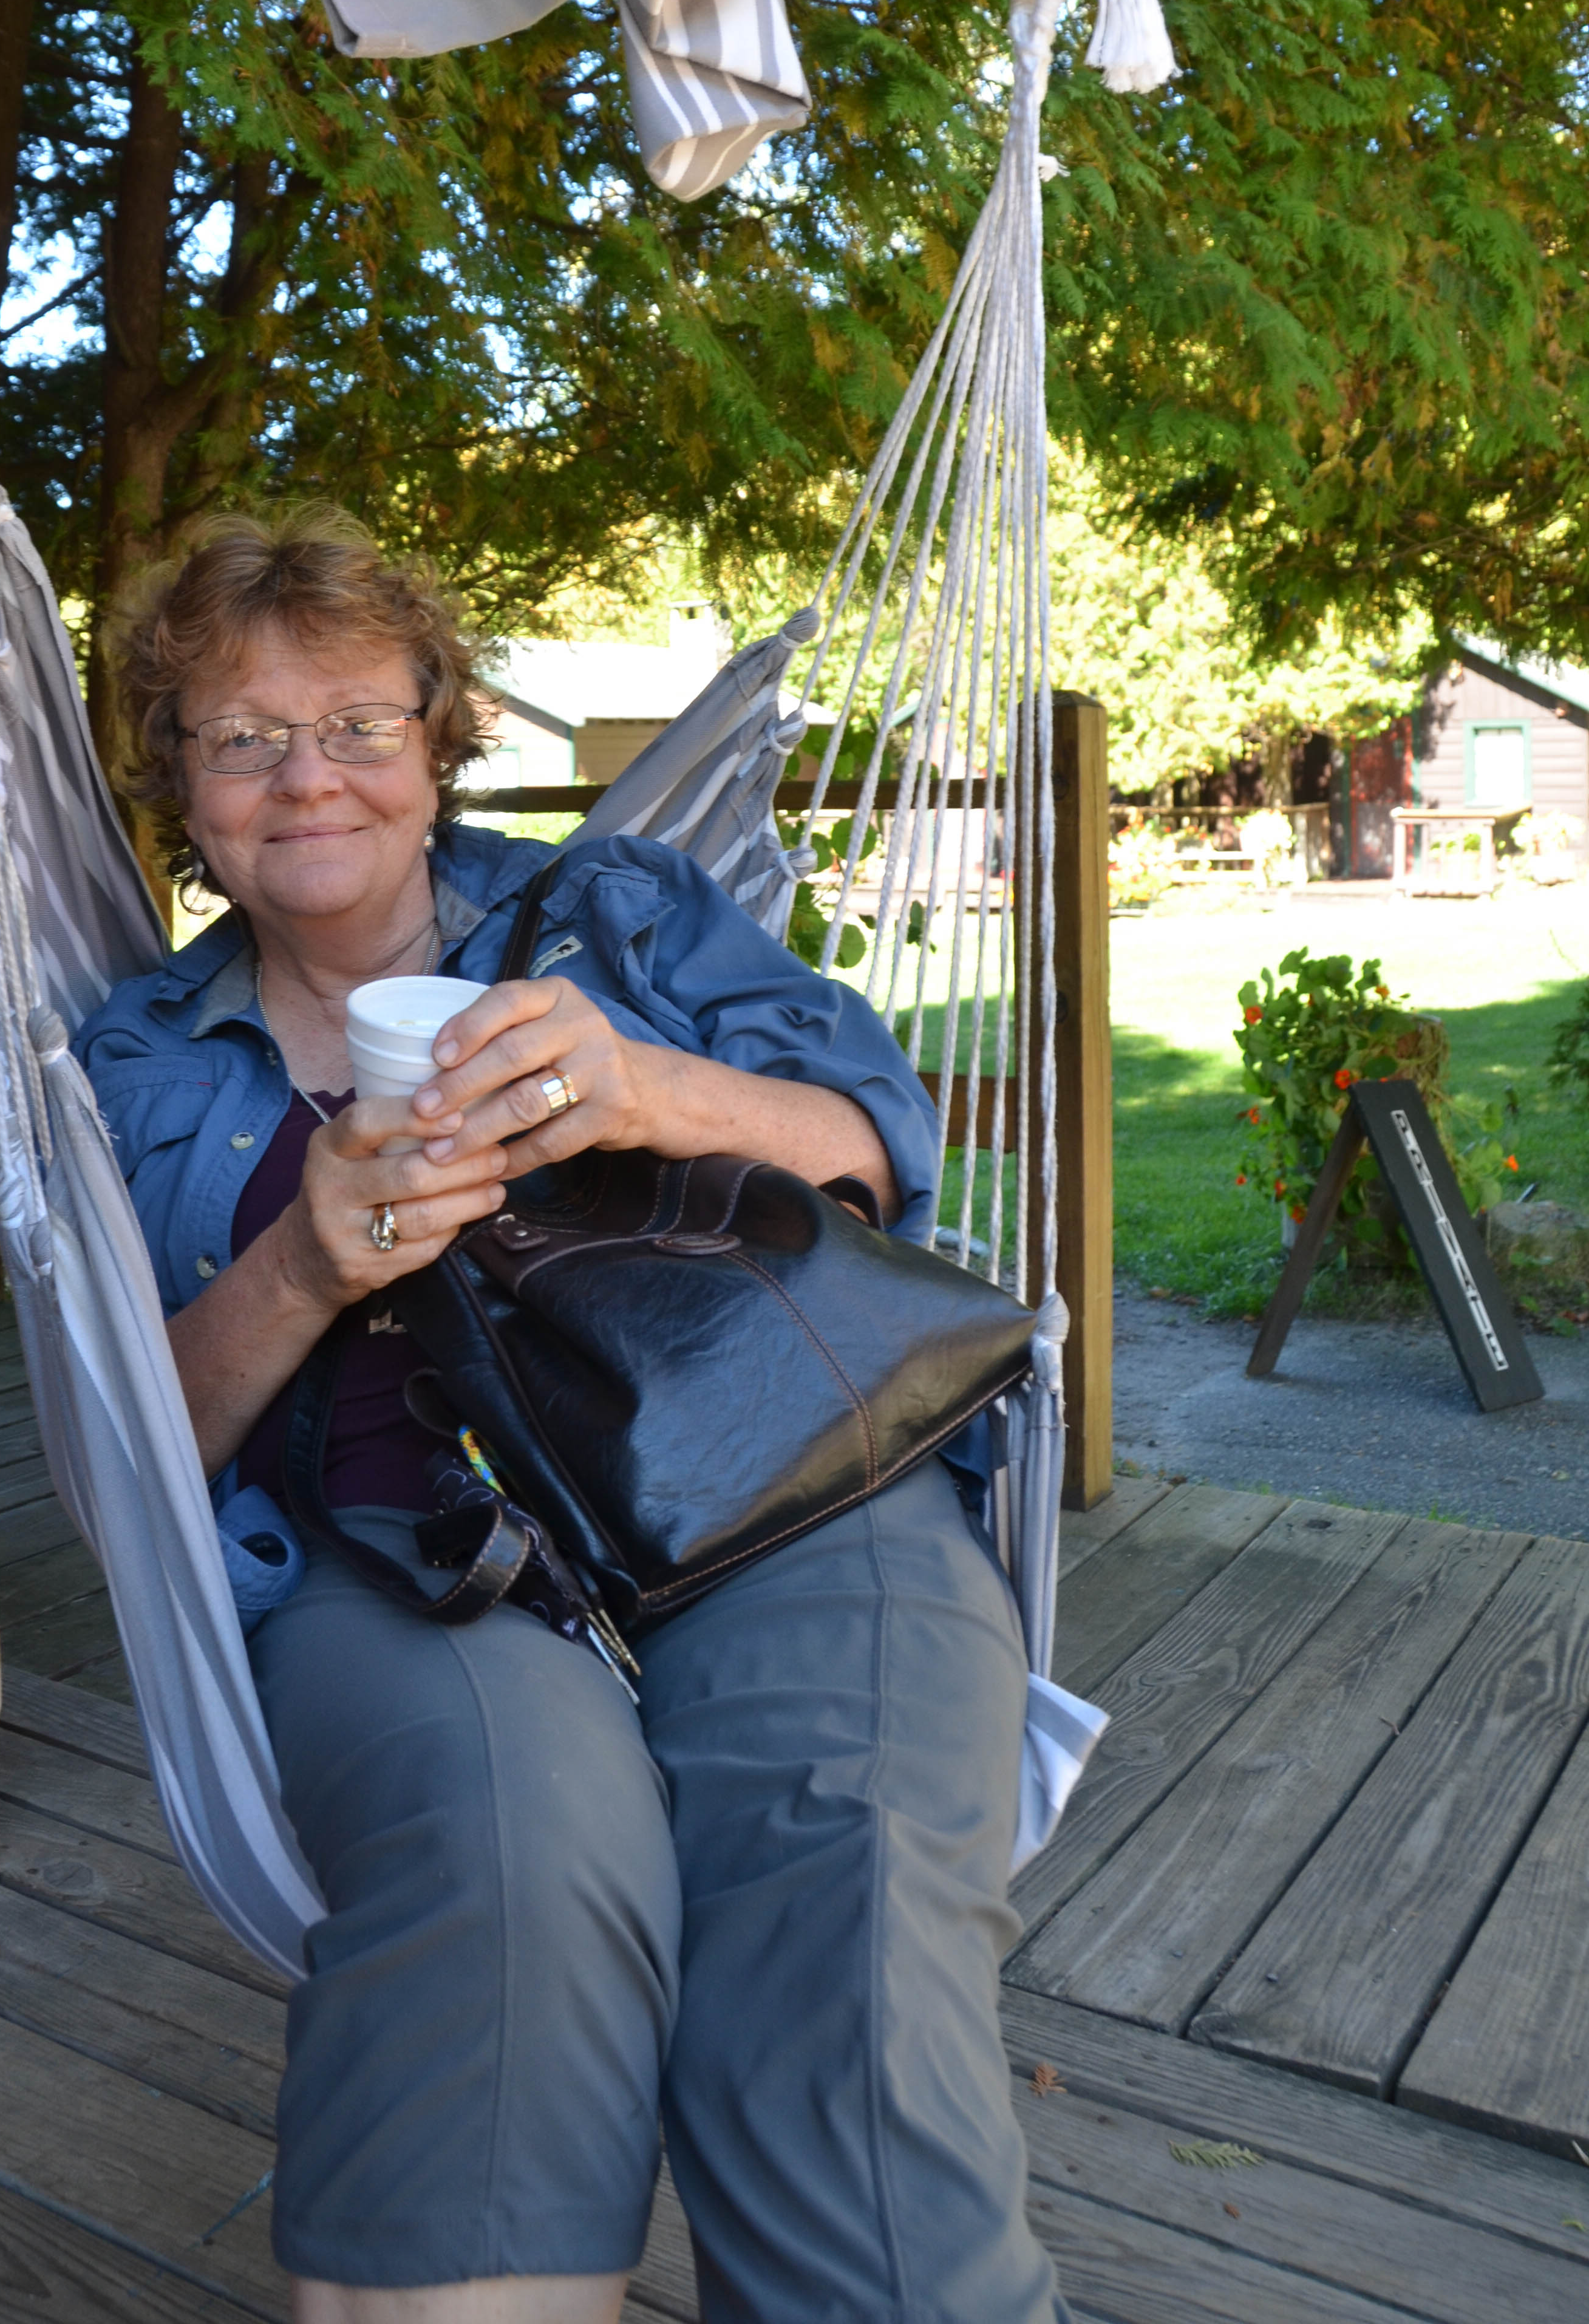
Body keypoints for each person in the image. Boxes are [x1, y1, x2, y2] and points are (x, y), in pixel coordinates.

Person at [77, 508, 1067, 2324]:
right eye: (244, 738)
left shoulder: (617, 912)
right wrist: (308, 1260)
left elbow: (877, 1150)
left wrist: (641, 1082)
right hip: (410, 1564)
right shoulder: (138, 1061)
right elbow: (142, 1451)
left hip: (777, 1479)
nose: (311, 779)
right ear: (182, 785)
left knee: (837, 1857)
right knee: (517, 1850)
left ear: (440, 738)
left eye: (362, 723)